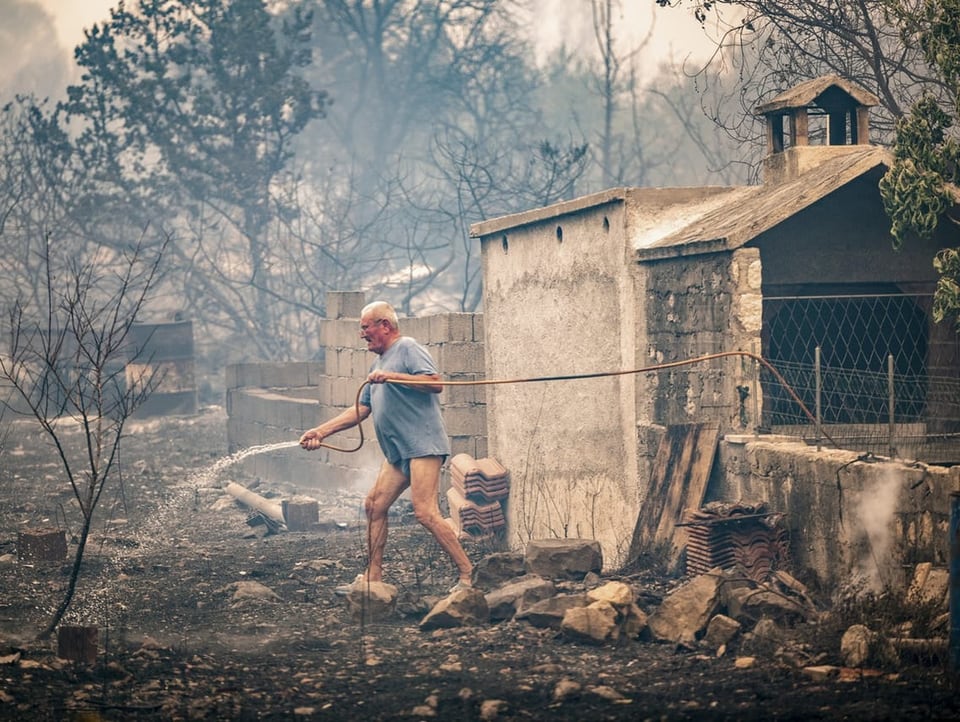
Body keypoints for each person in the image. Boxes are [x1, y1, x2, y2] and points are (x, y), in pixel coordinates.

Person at [299, 301, 474, 592]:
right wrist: (321, 431)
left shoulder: (407, 347)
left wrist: (394, 376)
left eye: (365, 327)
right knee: (374, 506)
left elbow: (435, 383)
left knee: (425, 512)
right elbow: (361, 409)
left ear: (385, 325)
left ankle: (468, 574)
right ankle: (373, 577)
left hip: (423, 446)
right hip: (398, 453)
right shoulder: (377, 362)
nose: (361, 334)